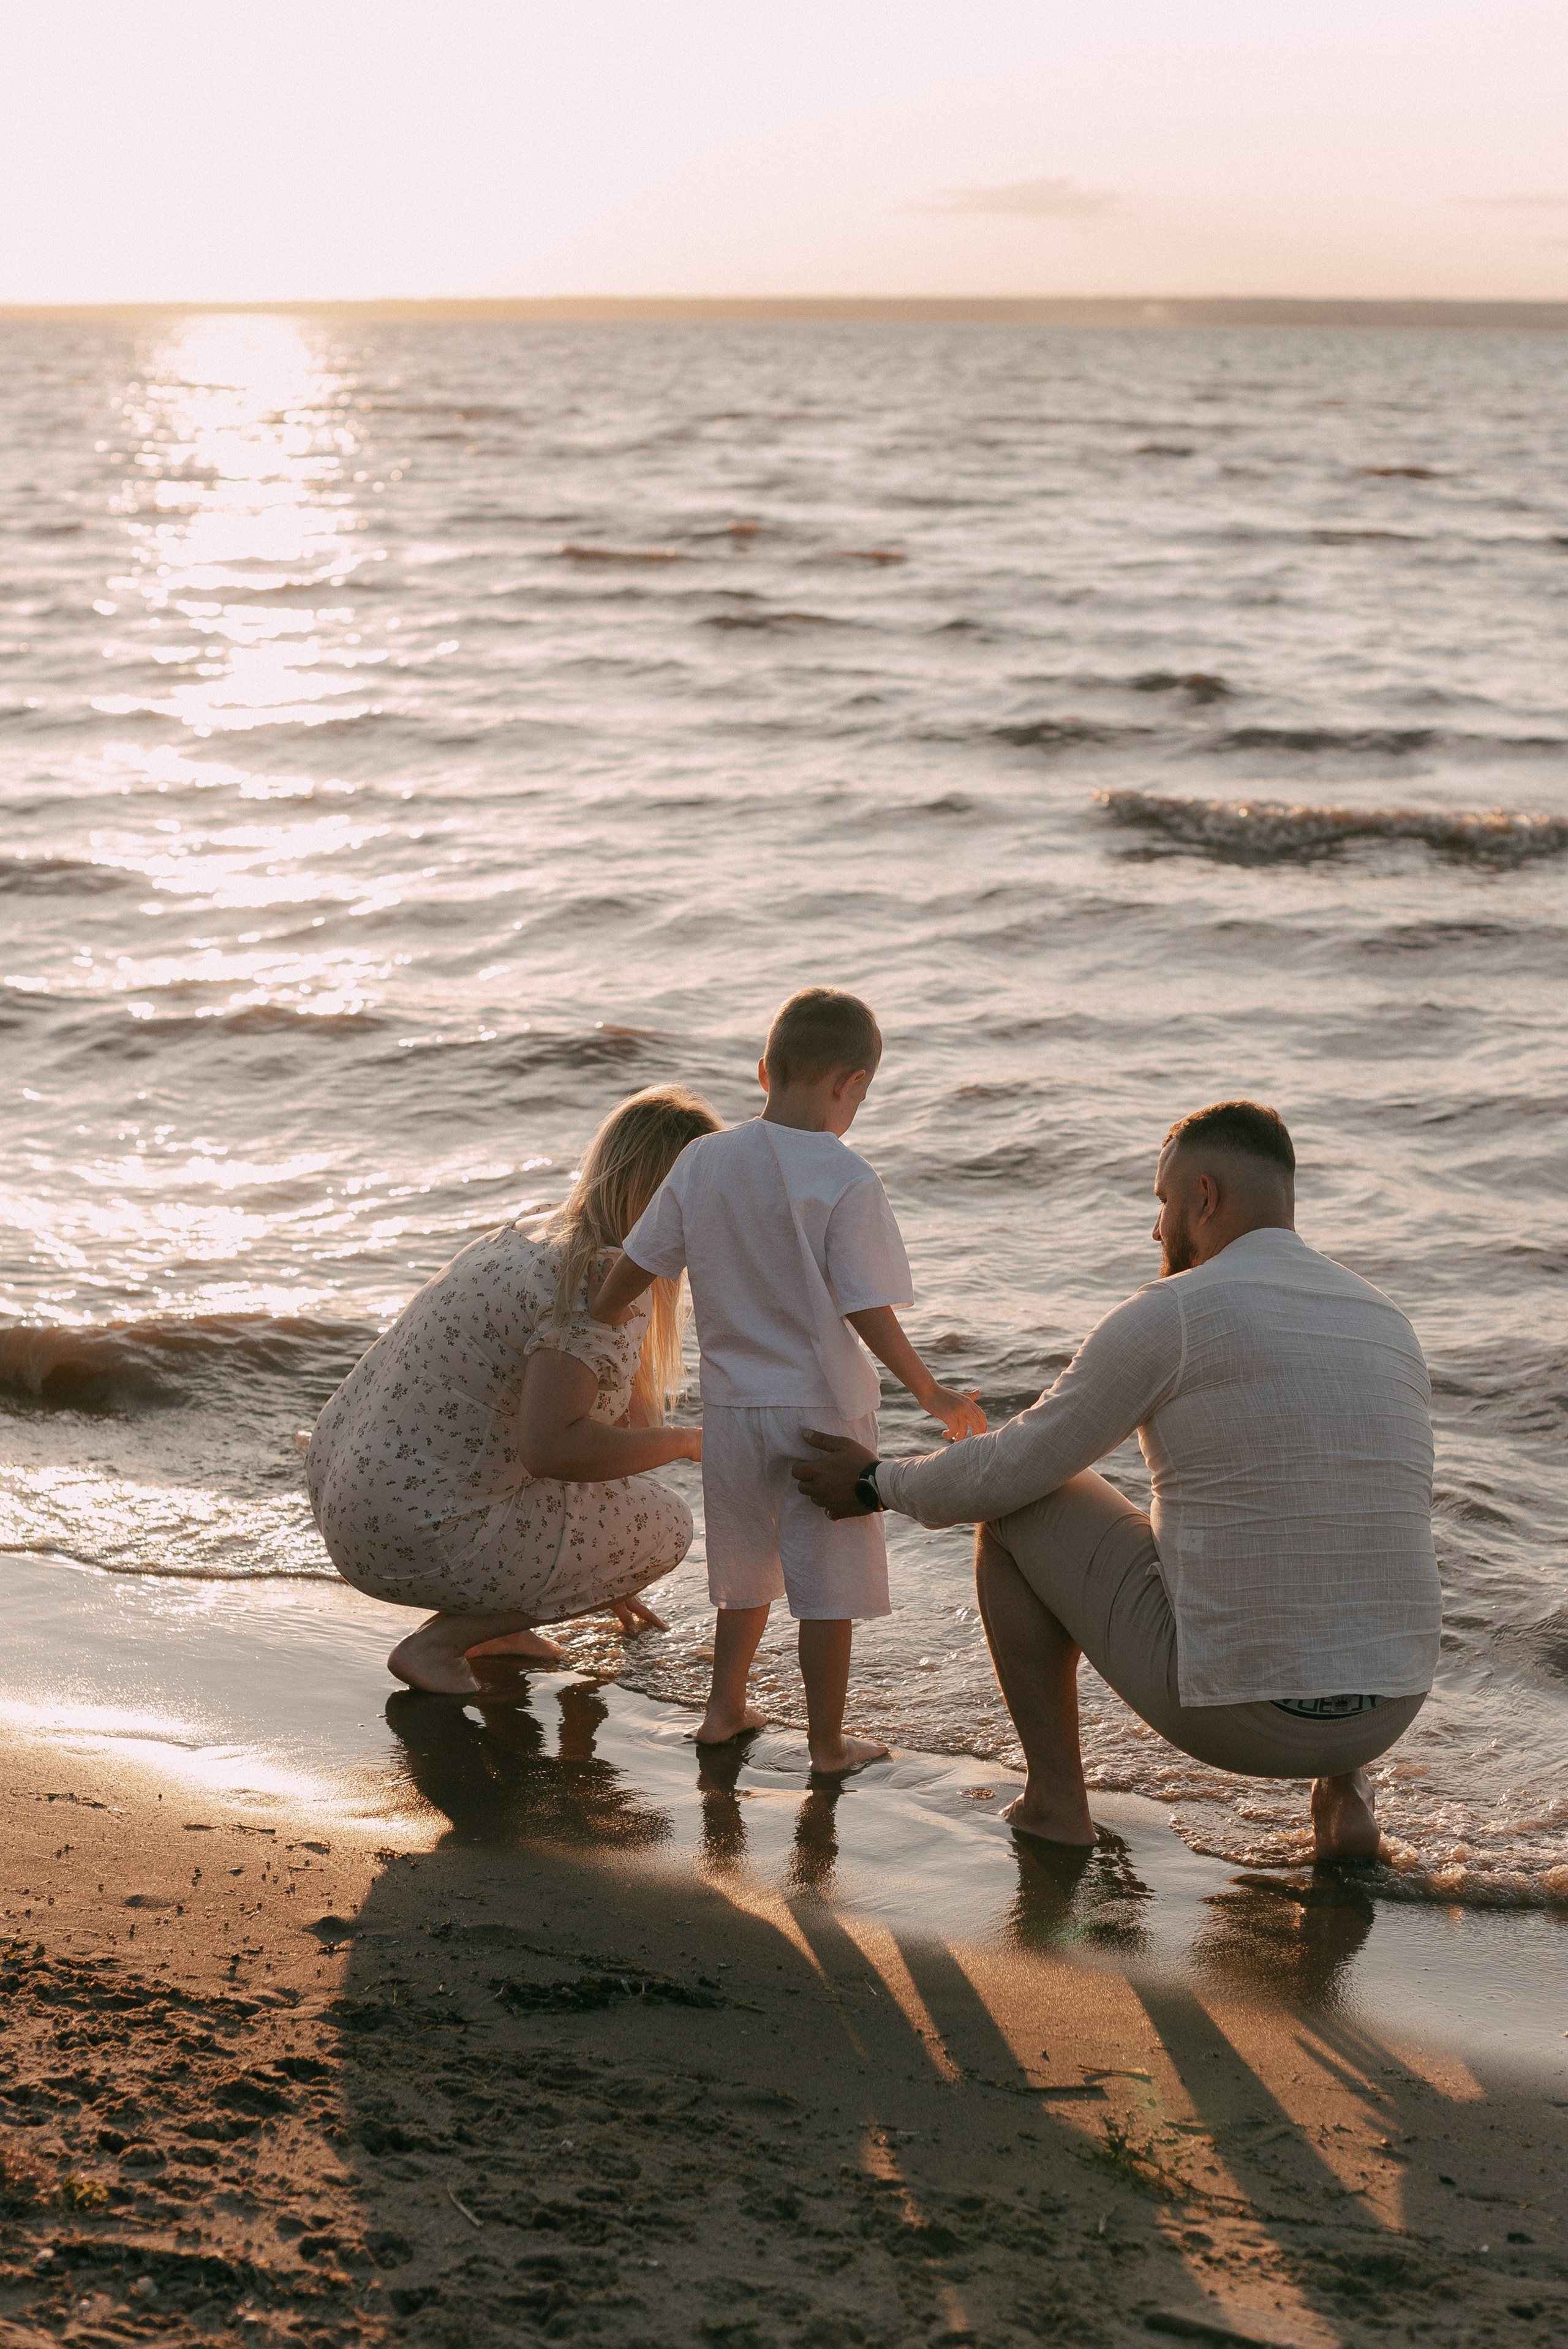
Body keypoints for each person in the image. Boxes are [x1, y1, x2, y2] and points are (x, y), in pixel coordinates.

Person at [793, 1101, 1441, 1862]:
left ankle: (1055, 1803)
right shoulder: (1385, 1319)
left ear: (1203, 1197)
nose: (1156, 1229)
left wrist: (875, 1482)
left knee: (1018, 1504)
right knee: (1331, 1494)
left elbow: (1013, 1465)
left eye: (1162, 1202)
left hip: (1243, 1717)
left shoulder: (1177, 1310)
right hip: (1390, 1707)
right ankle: (1346, 1793)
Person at [590, 988, 986, 1775]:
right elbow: (865, 1305)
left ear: (764, 1070)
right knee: (826, 1589)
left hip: (732, 1409)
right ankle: (827, 1744)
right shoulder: (846, 1177)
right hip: (822, 1411)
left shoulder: (704, 1159)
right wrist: (930, 1391)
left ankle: (722, 1709)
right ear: (852, 1084)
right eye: (859, 1097)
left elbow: (641, 1262)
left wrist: (596, 1317)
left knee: (744, 1573)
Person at [305, 1084, 721, 1694]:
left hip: (347, 1496)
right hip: (407, 1531)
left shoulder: (540, 1232)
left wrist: (597, 1570)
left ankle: (496, 1628)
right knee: (667, 1527)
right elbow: (552, 1449)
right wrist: (689, 1443)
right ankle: (440, 1643)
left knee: (614, 1507)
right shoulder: (597, 1283)